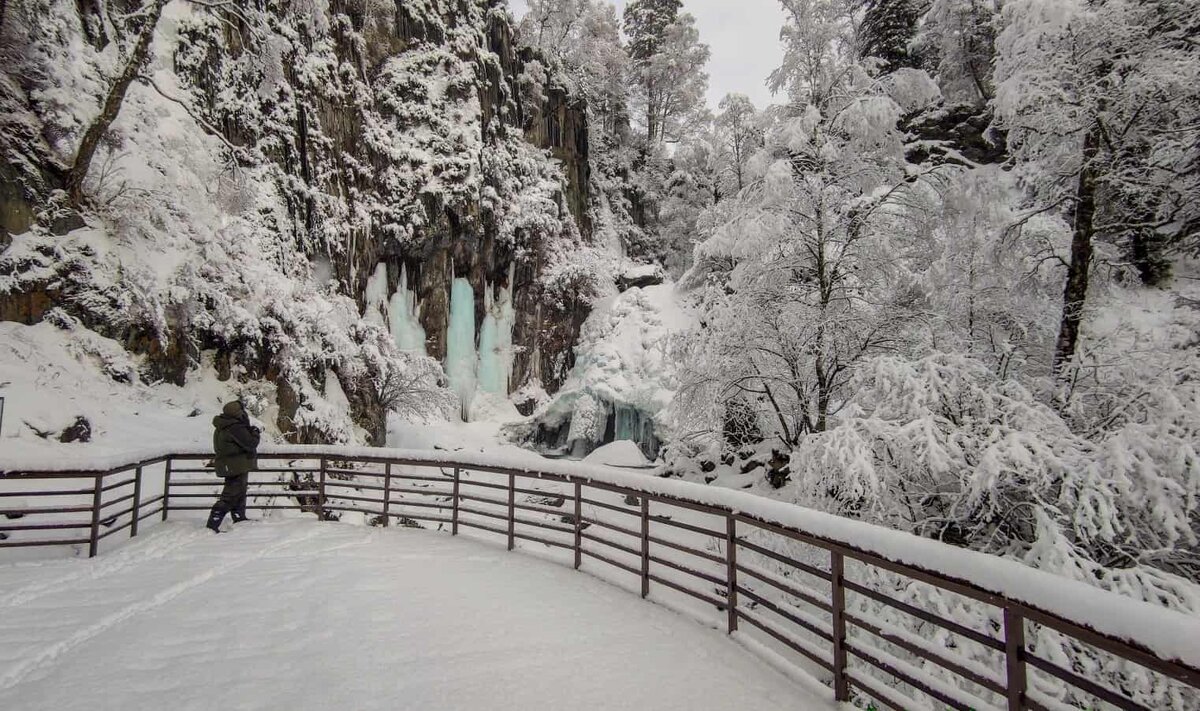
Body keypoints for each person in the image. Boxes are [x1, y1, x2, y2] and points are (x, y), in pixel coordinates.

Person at [207, 400, 261, 532]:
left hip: (229, 465)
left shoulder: (222, 426)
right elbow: (250, 443)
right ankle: (213, 524)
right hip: (236, 465)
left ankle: (239, 517)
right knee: (230, 496)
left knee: (239, 493)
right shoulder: (235, 427)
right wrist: (255, 432)